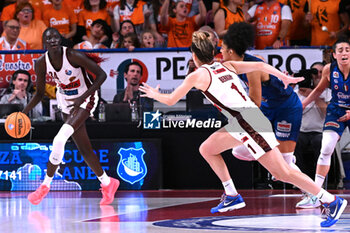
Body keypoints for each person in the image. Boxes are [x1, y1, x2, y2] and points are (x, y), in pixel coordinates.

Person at [140, 30, 347, 228]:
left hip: (249, 124)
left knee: (283, 172)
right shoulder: (227, 65)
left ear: (194, 55)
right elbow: (260, 66)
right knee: (207, 148)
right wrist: (282, 76)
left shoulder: (198, 75)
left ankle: (330, 200)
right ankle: (231, 195)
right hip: (243, 122)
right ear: (213, 52)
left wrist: (153, 94)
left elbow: (170, 100)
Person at [23, 28, 119, 205]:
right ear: (44, 41)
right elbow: (39, 94)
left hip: (85, 97)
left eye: (55, 36)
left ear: (60, 39)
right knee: (84, 149)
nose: (53, 39)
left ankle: (44, 186)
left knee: (59, 140)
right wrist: (23, 112)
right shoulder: (41, 63)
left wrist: (83, 97)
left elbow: (101, 75)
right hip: (65, 100)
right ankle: (108, 182)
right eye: (48, 37)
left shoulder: (73, 55)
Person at [223, 22, 302, 180]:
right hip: (268, 107)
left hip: (286, 107)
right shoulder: (231, 65)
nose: (220, 51)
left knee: (283, 168)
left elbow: (255, 102)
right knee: (238, 151)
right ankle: (276, 157)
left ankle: (314, 195)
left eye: (222, 48)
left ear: (231, 51)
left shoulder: (252, 67)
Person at [302, 37, 350, 208]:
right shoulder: (329, 70)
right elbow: (318, 90)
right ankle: (317, 194)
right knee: (326, 148)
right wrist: (303, 104)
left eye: (347, 49)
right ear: (334, 55)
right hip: (336, 111)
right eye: (340, 50)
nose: (344, 53)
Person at [294, 62, 331, 208]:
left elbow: (327, 113)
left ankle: (319, 185)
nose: (319, 76)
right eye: (315, 73)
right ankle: (303, 183)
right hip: (302, 131)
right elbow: (295, 112)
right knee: (294, 144)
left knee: (320, 143)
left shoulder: (327, 93)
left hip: (319, 131)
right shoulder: (297, 92)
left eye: (322, 72)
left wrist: (313, 95)